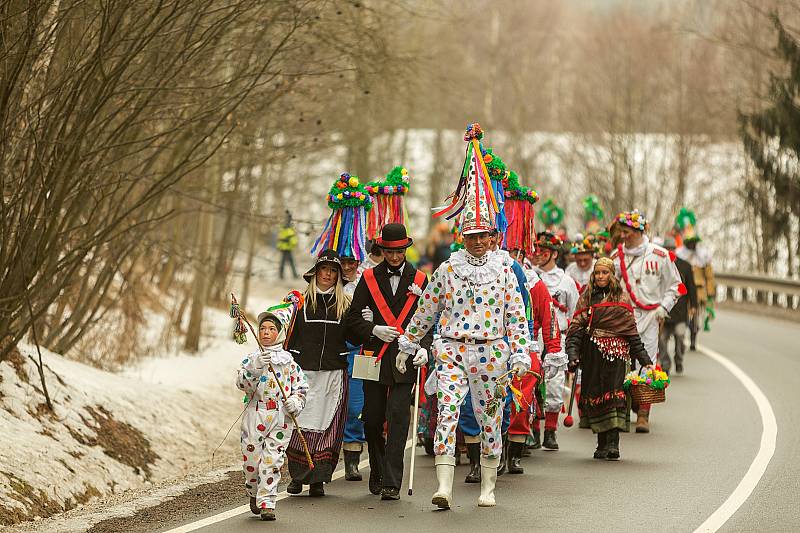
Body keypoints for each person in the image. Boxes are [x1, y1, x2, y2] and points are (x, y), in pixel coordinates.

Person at [345, 223, 430, 500]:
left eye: (399, 251)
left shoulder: (420, 280)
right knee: (371, 420)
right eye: (389, 252)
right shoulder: (368, 278)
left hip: (405, 358)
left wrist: (424, 349)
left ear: (406, 249)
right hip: (374, 356)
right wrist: (373, 330)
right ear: (382, 250)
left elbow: (430, 321)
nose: (394, 257)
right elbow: (352, 319)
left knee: (398, 418)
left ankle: (392, 482)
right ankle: (378, 470)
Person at [285, 250, 367, 496]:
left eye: (333, 271)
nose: (328, 275)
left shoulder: (346, 305)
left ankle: (318, 479)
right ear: (316, 273)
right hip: (303, 372)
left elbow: (354, 338)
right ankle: (297, 477)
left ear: (338, 276)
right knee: (300, 422)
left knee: (326, 424)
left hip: (334, 371)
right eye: (324, 270)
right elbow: (289, 337)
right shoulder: (300, 303)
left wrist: (364, 323)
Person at [565, 258, 651, 461]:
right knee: (596, 396)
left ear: (612, 275)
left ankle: (613, 444)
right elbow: (576, 328)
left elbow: (632, 333)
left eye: (605, 273)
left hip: (617, 355)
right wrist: (573, 354)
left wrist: (645, 360)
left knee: (615, 397)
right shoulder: (587, 297)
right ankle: (601, 443)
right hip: (593, 355)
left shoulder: (621, 297)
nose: (601, 277)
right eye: (598, 273)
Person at [237, 297, 308, 521]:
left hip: (280, 418)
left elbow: (302, 388)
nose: (266, 332)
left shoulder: (290, 363)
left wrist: (295, 403)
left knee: (272, 460)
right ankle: (253, 490)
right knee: (252, 462)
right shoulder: (251, 358)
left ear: (280, 333)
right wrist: (256, 368)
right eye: (263, 329)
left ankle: (267, 502)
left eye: (271, 329)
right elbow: (242, 384)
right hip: (255, 414)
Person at [611, 210, 681, 433]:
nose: (623, 236)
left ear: (640, 231)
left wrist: (663, 308)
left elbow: (676, 286)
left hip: (651, 317)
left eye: (627, 232)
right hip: (622, 318)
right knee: (619, 363)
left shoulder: (660, 256)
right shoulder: (615, 257)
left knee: (646, 362)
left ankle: (643, 414)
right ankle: (621, 412)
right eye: (621, 232)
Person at [532, 231, 578, 451]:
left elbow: (575, 313)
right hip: (533, 336)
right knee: (530, 381)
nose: (538, 254)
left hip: (557, 337)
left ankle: (550, 431)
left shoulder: (566, 281)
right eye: (537, 250)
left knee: (555, 383)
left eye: (543, 251)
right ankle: (532, 430)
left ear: (553, 254)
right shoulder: (528, 276)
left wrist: (571, 344)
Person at [659, 237, 696, 374]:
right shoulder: (658, 265)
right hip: (663, 312)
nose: (669, 251)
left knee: (680, 337)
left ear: (676, 249)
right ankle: (665, 364)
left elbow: (691, 287)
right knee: (661, 340)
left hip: (680, 312)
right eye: (667, 248)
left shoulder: (685, 266)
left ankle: (679, 359)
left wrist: (693, 305)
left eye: (672, 249)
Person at [676, 236, 716, 350]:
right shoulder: (680, 255)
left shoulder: (703, 256)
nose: (692, 246)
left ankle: (693, 338)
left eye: (694, 244)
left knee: (695, 316)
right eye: (690, 244)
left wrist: (710, 292)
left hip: (698, 291)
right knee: (683, 316)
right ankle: (682, 338)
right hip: (683, 290)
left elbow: (709, 276)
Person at [277, 210, 299, 280]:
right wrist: (294, 242)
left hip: (285, 247)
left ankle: (283, 275)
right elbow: (292, 238)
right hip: (286, 247)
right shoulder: (287, 228)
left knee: (287, 262)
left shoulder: (284, 227)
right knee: (288, 262)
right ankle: (290, 275)